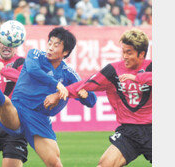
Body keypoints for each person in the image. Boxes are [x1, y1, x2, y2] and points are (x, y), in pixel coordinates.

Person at [0, 27, 97, 166]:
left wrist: (84, 95)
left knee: (54, 163)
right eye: (50, 43)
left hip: (39, 119)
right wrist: (57, 85)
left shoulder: (68, 73)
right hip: (19, 108)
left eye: (56, 45)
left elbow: (91, 100)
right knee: (4, 102)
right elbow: (32, 70)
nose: (50, 48)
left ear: (65, 52)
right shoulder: (35, 54)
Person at [57, 28, 152, 166]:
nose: (124, 56)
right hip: (128, 132)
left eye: (129, 52)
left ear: (141, 54)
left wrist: (138, 78)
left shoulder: (152, 67)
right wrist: (61, 93)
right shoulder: (113, 70)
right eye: (123, 51)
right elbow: (85, 84)